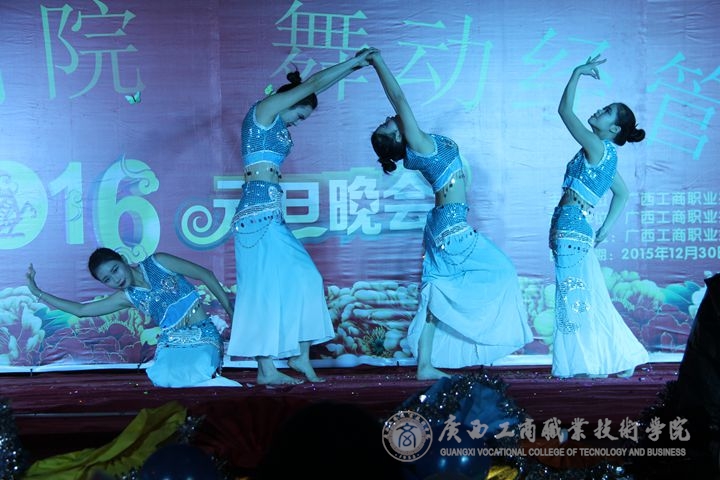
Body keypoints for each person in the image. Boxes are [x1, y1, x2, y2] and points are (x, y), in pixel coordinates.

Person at [368, 50, 533, 380]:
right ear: (398, 137)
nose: (389, 117)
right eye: (387, 124)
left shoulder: (421, 144)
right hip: (450, 225)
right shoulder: (419, 145)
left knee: (438, 288)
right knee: (502, 271)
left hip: (445, 222)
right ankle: (449, 348)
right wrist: (378, 62)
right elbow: (398, 97)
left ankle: (425, 364)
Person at [228, 48, 377, 386]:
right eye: (300, 114)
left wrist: (354, 68)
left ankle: (299, 356)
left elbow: (312, 88)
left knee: (306, 279)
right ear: (289, 101)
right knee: (260, 291)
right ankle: (266, 369)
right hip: (254, 216)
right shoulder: (263, 113)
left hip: (270, 215)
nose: (297, 122)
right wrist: (353, 63)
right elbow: (313, 84)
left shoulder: (277, 123)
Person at [550, 55, 649, 378]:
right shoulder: (606, 156)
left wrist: (576, 73)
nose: (599, 111)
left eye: (606, 112)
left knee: (574, 296)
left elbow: (565, 112)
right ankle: (615, 356)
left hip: (571, 227)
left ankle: (588, 362)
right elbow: (623, 192)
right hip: (576, 227)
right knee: (586, 295)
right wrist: (604, 228)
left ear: (614, 128)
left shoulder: (597, 147)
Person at [26, 248, 241, 387]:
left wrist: (231, 312)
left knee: (197, 370)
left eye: (115, 269)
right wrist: (38, 293)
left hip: (203, 336)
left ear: (124, 260)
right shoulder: (126, 296)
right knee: (163, 377)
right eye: (107, 279)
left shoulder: (159, 262)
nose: (115, 279)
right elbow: (81, 310)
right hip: (172, 344)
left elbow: (205, 275)